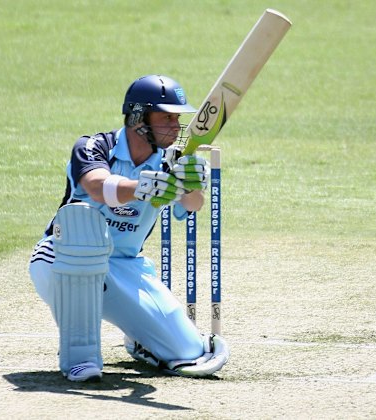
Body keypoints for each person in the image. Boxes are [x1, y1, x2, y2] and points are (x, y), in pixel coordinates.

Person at [29, 74, 229, 382]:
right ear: (138, 117)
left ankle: (142, 341)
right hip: (61, 259)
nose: (175, 127)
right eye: (166, 117)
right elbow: (96, 187)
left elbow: (193, 204)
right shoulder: (94, 146)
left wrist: (190, 184)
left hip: (125, 266)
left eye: (177, 118)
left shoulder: (169, 162)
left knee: (188, 352)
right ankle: (80, 354)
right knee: (87, 365)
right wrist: (141, 187)